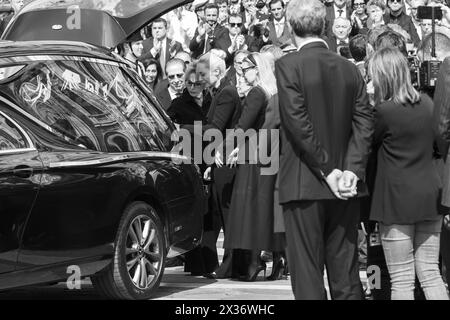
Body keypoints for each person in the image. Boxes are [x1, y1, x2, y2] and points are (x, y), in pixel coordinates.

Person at [275, 0, 373, 300]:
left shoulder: (288, 65)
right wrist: (351, 171)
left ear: (290, 28)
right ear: (326, 25)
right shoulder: (348, 68)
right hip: (344, 184)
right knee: (345, 276)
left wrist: (330, 170)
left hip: (308, 182)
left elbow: (297, 122)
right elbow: (364, 123)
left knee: (307, 279)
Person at [368, 47, 449, 300]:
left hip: (397, 200)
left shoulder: (383, 112)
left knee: (402, 279)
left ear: (382, 76)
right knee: (430, 272)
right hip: (429, 195)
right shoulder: (426, 103)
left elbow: (367, 144)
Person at [222, 52, 285, 282]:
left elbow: (242, 126)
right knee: (267, 207)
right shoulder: (274, 92)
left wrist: (225, 148)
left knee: (251, 209)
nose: (242, 70)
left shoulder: (257, 93)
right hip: (270, 153)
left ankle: (254, 261)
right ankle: (277, 258)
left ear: (257, 69)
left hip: (255, 157)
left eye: (246, 67)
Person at [194, 51, 242, 279]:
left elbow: (215, 127)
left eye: (203, 73)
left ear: (216, 72)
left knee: (227, 215)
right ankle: (218, 264)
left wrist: (182, 128)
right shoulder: (219, 91)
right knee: (217, 214)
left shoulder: (227, 92)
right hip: (218, 159)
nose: (199, 77)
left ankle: (231, 264)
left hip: (227, 162)